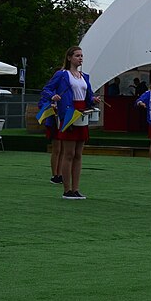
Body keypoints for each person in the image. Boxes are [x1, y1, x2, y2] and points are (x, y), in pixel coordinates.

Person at [42, 46, 101, 200]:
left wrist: (93, 100)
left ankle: (76, 189)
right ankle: (67, 190)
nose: (80, 58)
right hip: (69, 113)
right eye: (77, 55)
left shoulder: (84, 76)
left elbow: (88, 96)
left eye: (81, 55)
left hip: (82, 113)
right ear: (69, 58)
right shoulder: (62, 74)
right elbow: (46, 89)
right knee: (68, 154)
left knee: (78, 154)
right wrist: (53, 96)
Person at [37, 89, 62, 185]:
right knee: (57, 149)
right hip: (53, 122)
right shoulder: (50, 90)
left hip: (63, 120)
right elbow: (41, 104)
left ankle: (60, 174)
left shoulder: (67, 89)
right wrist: (51, 105)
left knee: (63, 150)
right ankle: (55, 175)